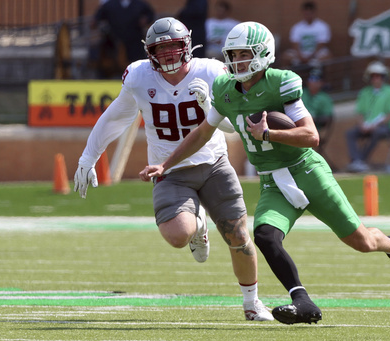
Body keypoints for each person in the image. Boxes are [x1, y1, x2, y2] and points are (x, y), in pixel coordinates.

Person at [140, 21, 390, 325]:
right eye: (232, 55)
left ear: (262, 54)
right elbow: (202, 132)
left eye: (243, 55)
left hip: (307, 172)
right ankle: (302, 301)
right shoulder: (224, 88)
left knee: (363, 241)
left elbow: (311, 136)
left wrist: (268, 135)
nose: (236, 62)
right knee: (264, 235)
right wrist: (165, 164)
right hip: (272, 180)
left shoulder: (282, 82)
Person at [74, 17, 273, 322]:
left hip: (214, 164)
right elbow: (116, 117)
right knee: (178, 235)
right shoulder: (139, 76)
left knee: (238, 235)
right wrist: (88, 157)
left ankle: (252, 303)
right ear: (149, 51)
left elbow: (236, 130)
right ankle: (197, 224)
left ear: (186, 46)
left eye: (172, 47)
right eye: (160, 49)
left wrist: (211, 108)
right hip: (169, 170)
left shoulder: (212, 72)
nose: (167, 55)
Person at [345, 61, 390, 173]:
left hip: (384, 127)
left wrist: (375, 125)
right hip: (366, 126)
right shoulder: (364, 92)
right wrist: (362, 125)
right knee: (350, 133)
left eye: (378, 76)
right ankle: (357, 161)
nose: (376, 79)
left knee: (376, 132)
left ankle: (360, 160)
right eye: (373, 76)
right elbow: (359, 113)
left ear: (383, 77)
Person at [90, 0, 155, 79]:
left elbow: (150, 15)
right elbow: (98, 16)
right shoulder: (110, 4)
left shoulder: (140, 4)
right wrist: (95, 22)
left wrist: (146, 19)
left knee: (136, 64)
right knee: (109, 63)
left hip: (135, 40)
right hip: (113, 41)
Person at [282, 1, 332, 69]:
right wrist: (300, 56)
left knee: (327, 56)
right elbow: (294, 43)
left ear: (314, 12)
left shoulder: (322, 26)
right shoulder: (297, 27)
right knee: (286, 56)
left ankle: (320, 76)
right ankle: (287, 77)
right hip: (301, 53)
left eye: (310, 13)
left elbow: (322, 44)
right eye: (306, 13)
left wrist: (311, 56)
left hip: (316, 54)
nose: (308, 15)